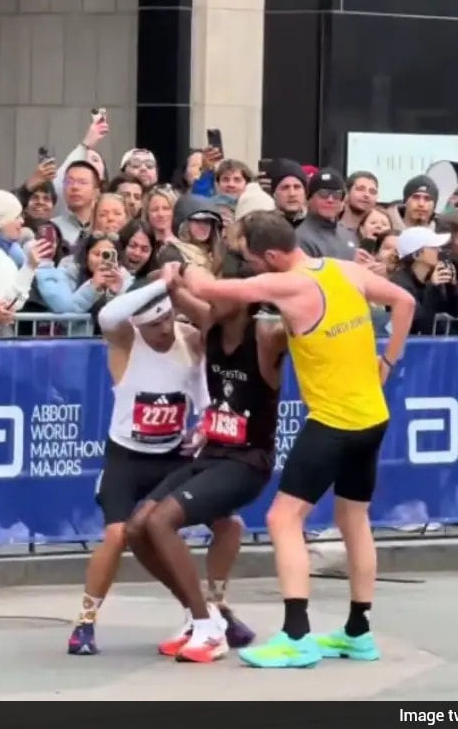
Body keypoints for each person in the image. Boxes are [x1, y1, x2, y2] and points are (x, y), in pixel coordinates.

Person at [180, 211, 415, 669]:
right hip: (372, 417)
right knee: (354, 521)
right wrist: (387, 363)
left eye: (248, 258)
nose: (248, 266)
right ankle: (358, 632)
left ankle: (296, 636)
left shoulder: (287, 284)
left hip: (333, 422)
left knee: (283, 518)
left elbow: (207, 291)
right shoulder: (343, 269)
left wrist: (180, 259)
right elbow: (404, 301)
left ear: (270, 255)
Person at [123, 262, 286, 663]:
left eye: (221, 289)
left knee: (162, 522)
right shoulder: (211, 326)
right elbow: (178, 291)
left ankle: (209, 628)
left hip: (249, 460)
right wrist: (173, 274)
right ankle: (202, 617)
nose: (211, 295)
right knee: (136, 528)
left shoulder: (266, 337)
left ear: (245, 298)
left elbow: (307, 318)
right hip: (212, 452)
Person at [67, 279, 231, 655]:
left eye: (168, 320)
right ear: (138, 325)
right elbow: (108, 313)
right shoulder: (126, 342)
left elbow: (205, 388)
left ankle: (217, 607)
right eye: (154, 325)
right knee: (116, 536)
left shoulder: (189, 339)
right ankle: (85, 622)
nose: (163, 332)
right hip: (127, 456)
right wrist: (164, 281)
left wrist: (206, 425)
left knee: (228, 524)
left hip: (172, 455)